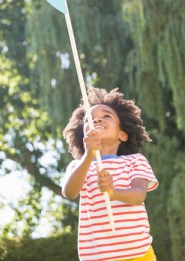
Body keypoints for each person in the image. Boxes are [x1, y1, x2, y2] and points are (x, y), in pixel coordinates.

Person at [62, 87, 158, 261]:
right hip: (98, 257)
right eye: (89, 119)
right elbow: (70, 192)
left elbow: (139, 194)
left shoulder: (135, 161)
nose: (97, 118)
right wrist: (88, 156)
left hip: (139, 253)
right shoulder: (79, 165)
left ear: (122, 134)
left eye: (106, 116)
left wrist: (113, 192)